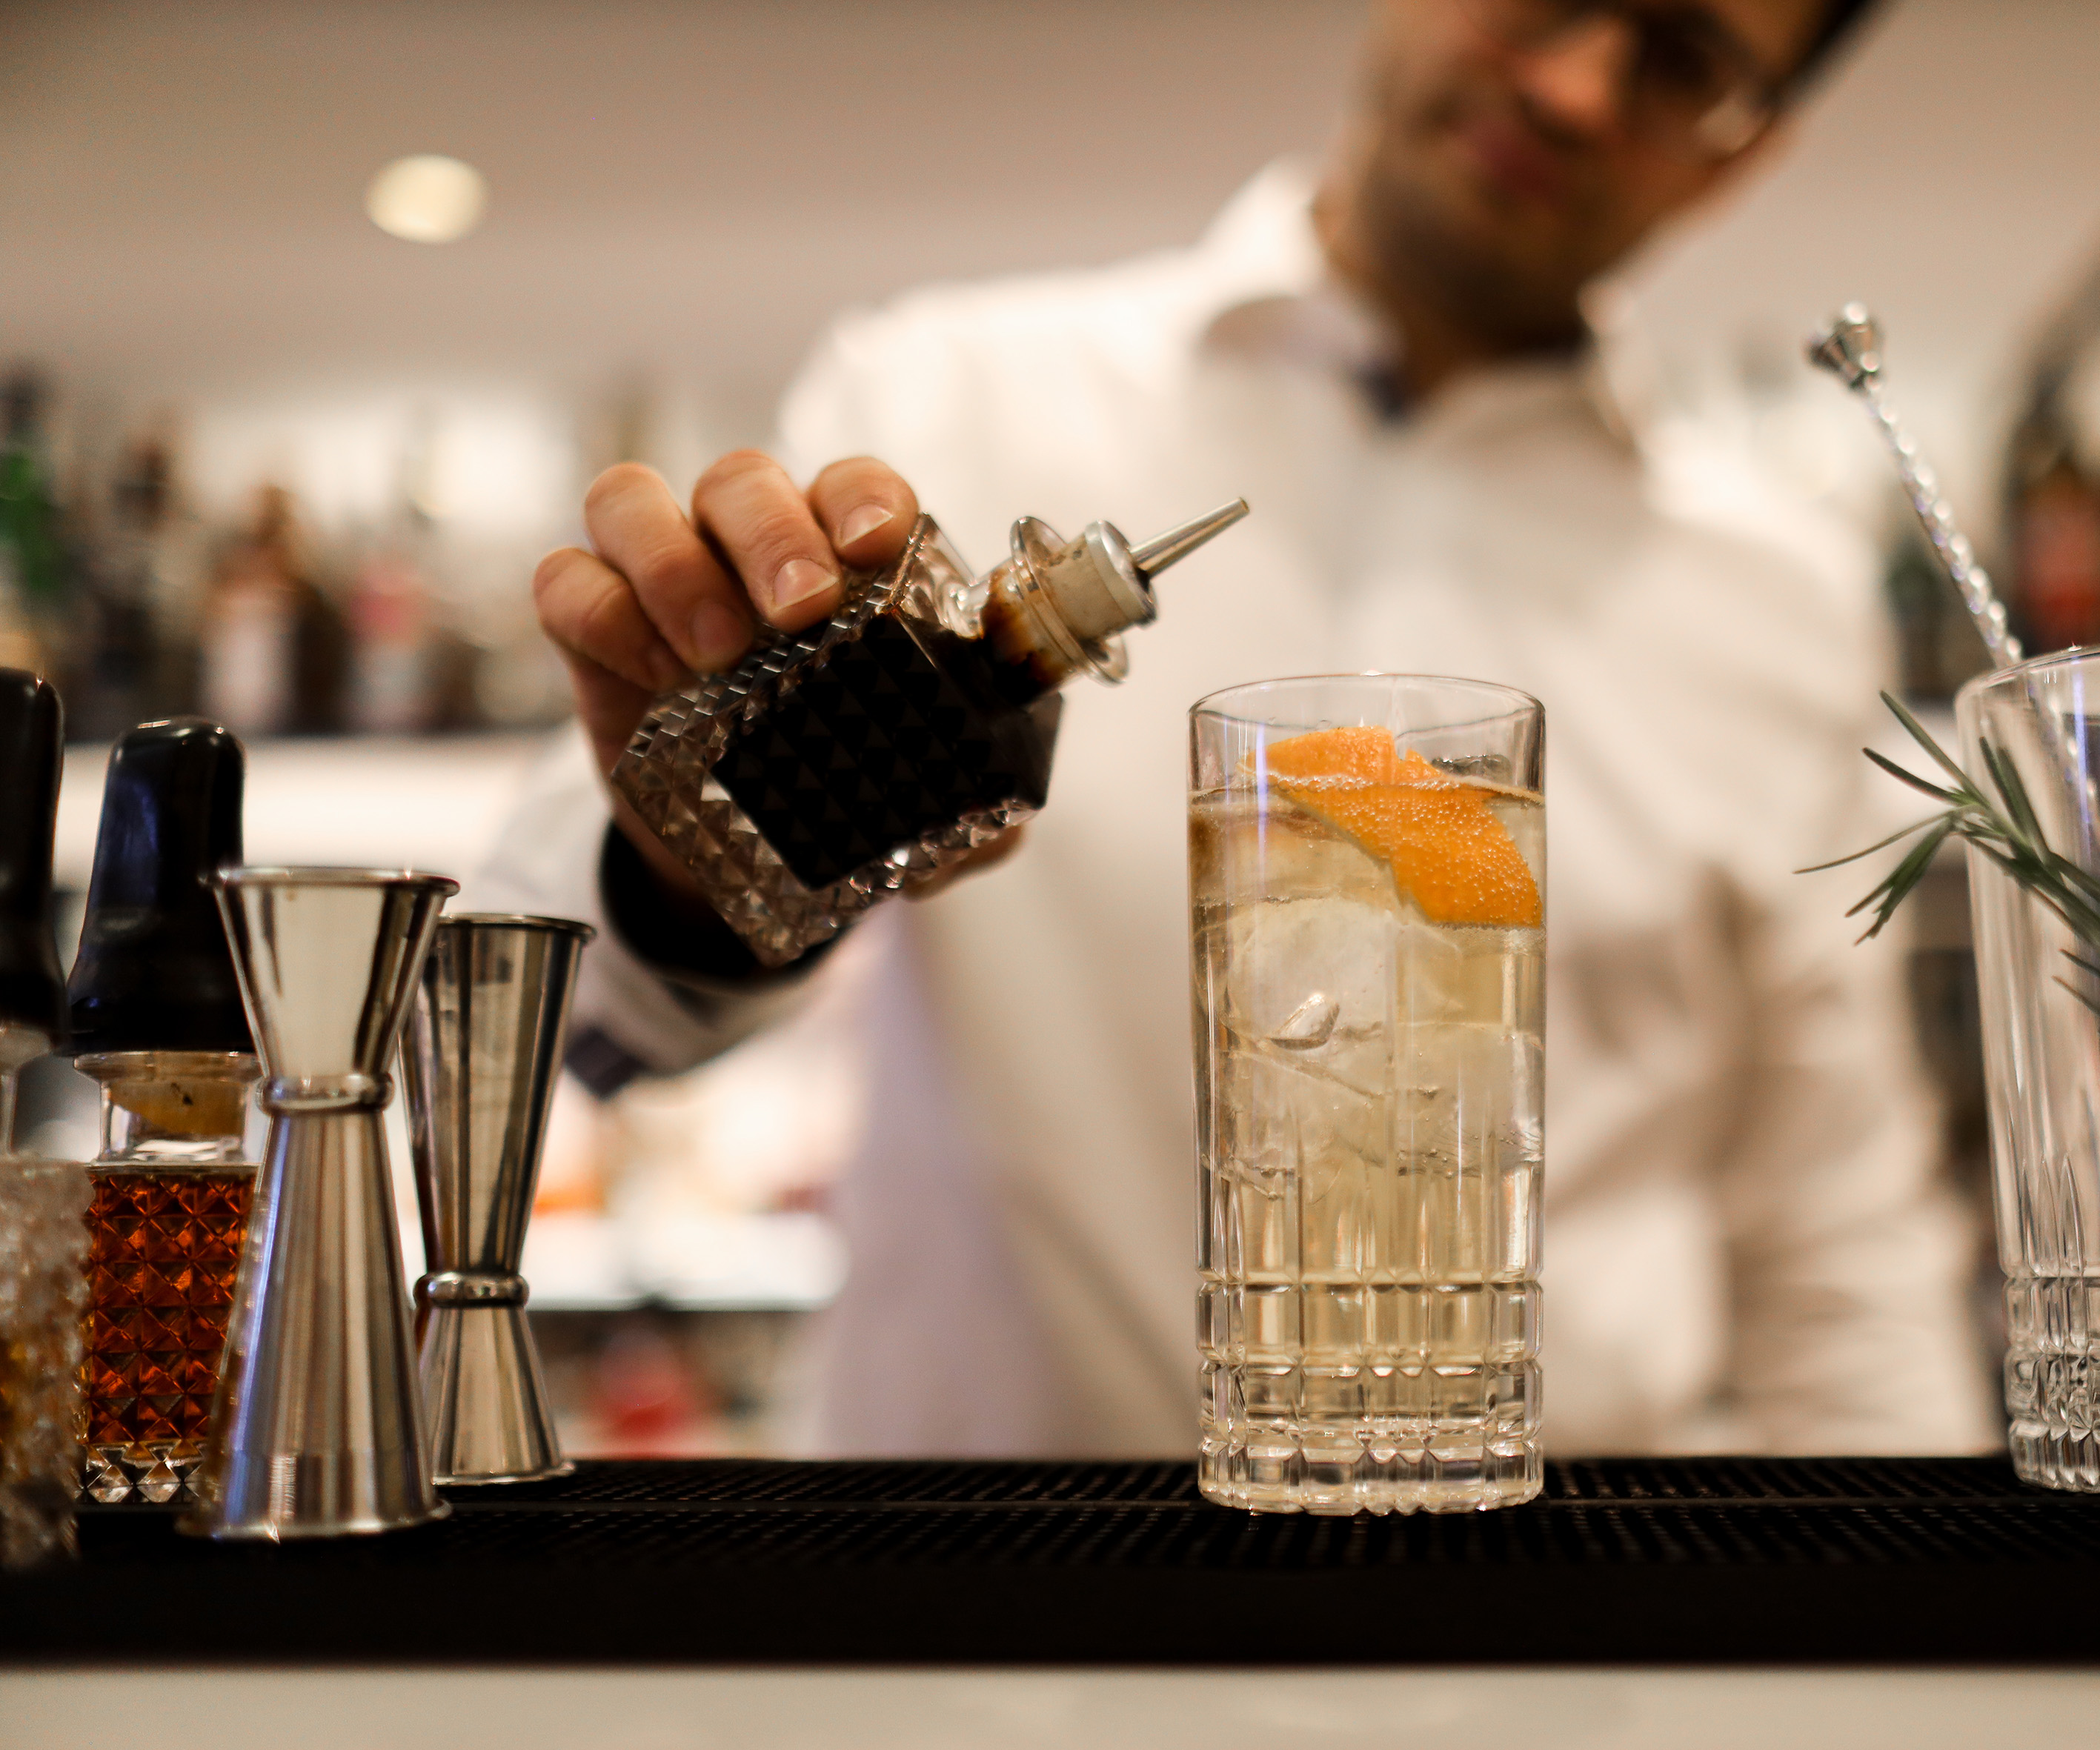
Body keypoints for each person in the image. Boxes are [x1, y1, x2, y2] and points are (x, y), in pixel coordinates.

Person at [478, 0, 1994, 1457]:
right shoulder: (941, 398)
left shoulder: (1776, 598)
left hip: (1558, 1634)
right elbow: (579, 1007)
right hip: (983, 1641)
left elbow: (1832, 1229)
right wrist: (694, 873)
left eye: (1681, 60)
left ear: (1747, 145)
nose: (1576, 87)